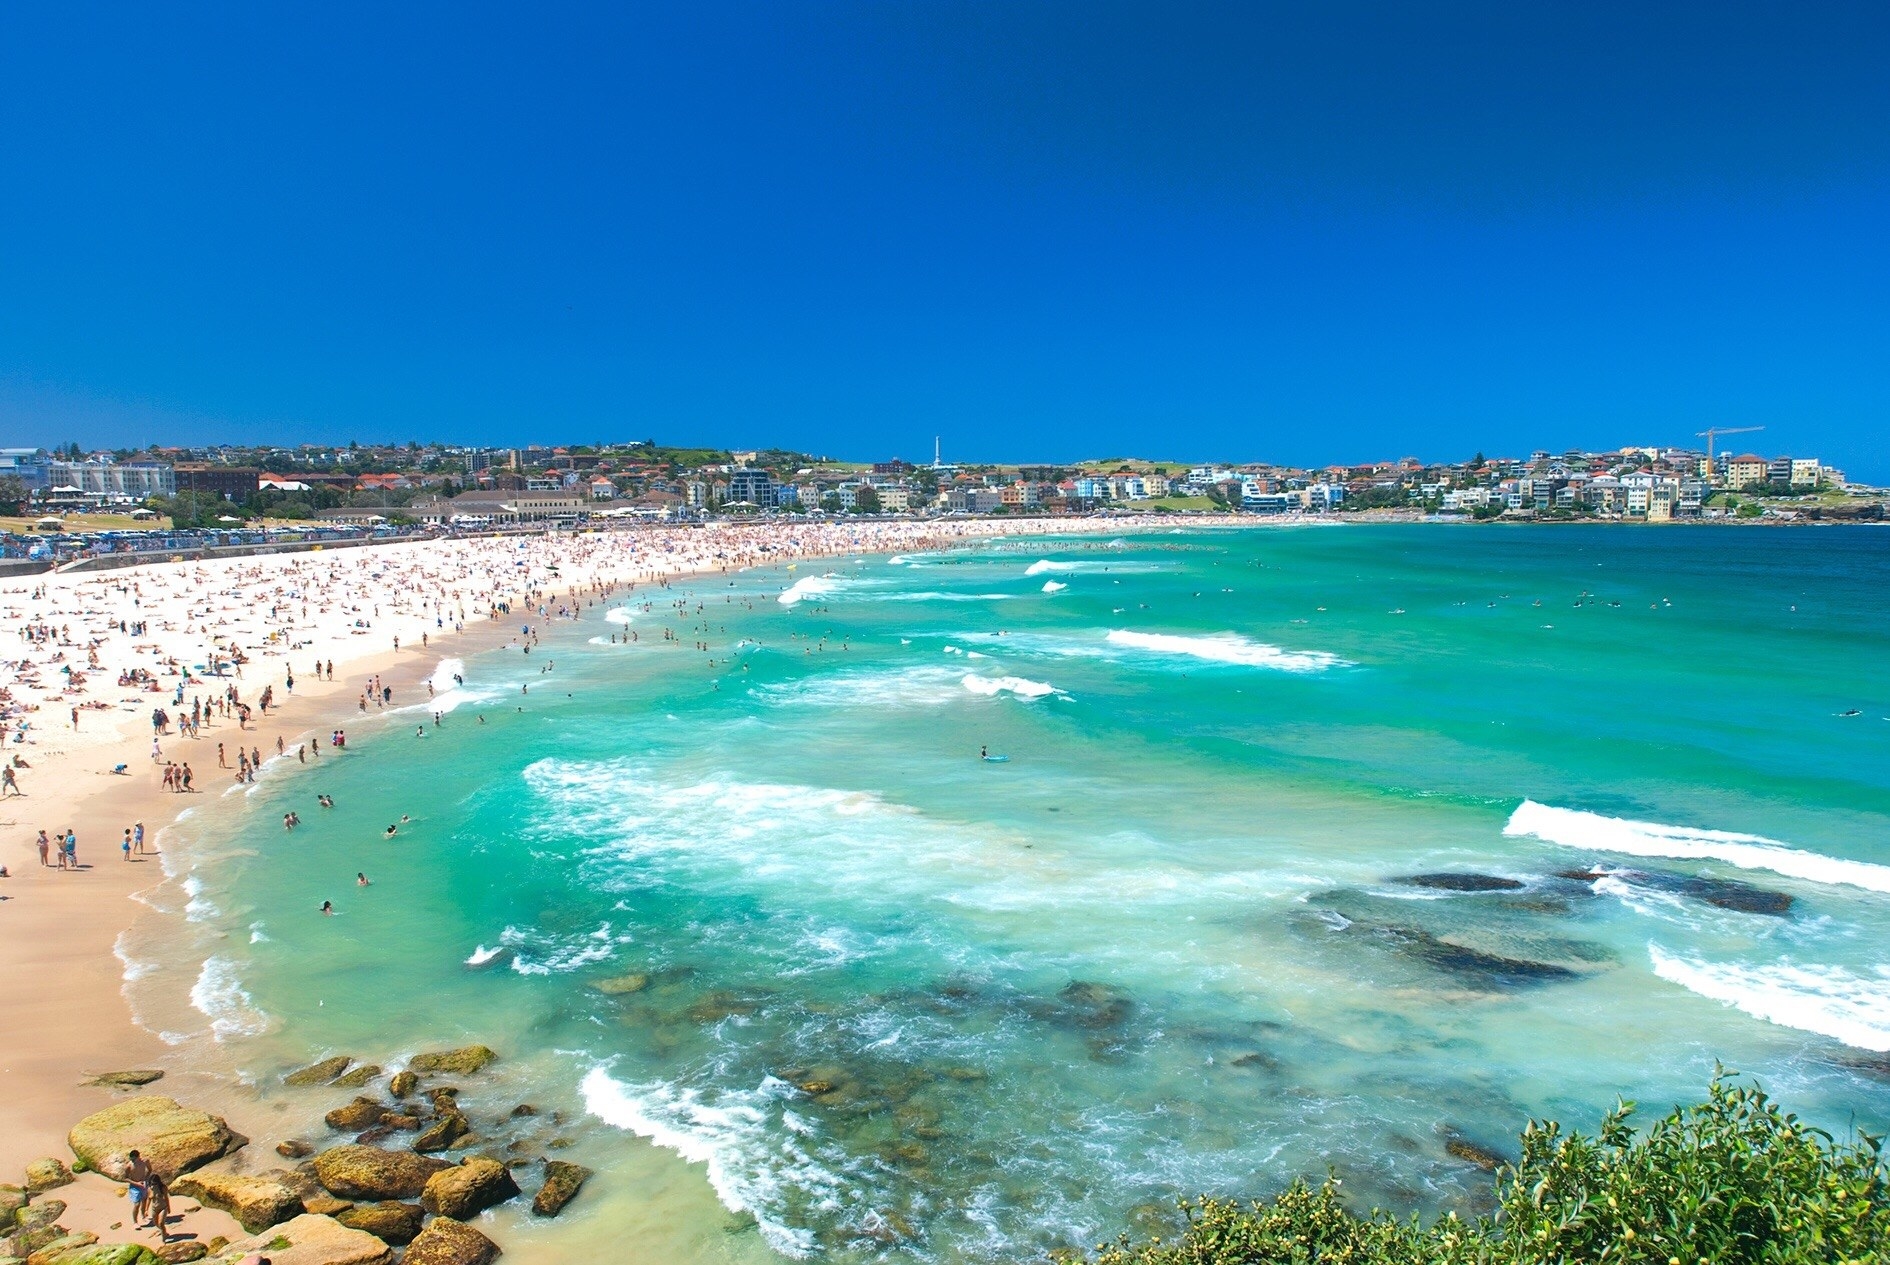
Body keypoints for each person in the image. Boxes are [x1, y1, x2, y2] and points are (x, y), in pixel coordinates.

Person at [125, 1149, 152, 1224]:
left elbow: (150, 1170)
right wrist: (137, 1183)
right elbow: (125, 1178)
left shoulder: (145, 1161)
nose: (132, 1160)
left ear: (138, 1157)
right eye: (131, 1159)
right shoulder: (129, 1165)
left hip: (143, 1184)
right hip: (134, 1186)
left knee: (144, 1201)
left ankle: (143, 1217)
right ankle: (135, 1222)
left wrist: (145, 1179)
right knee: (137, 1204)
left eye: (134, 1159)